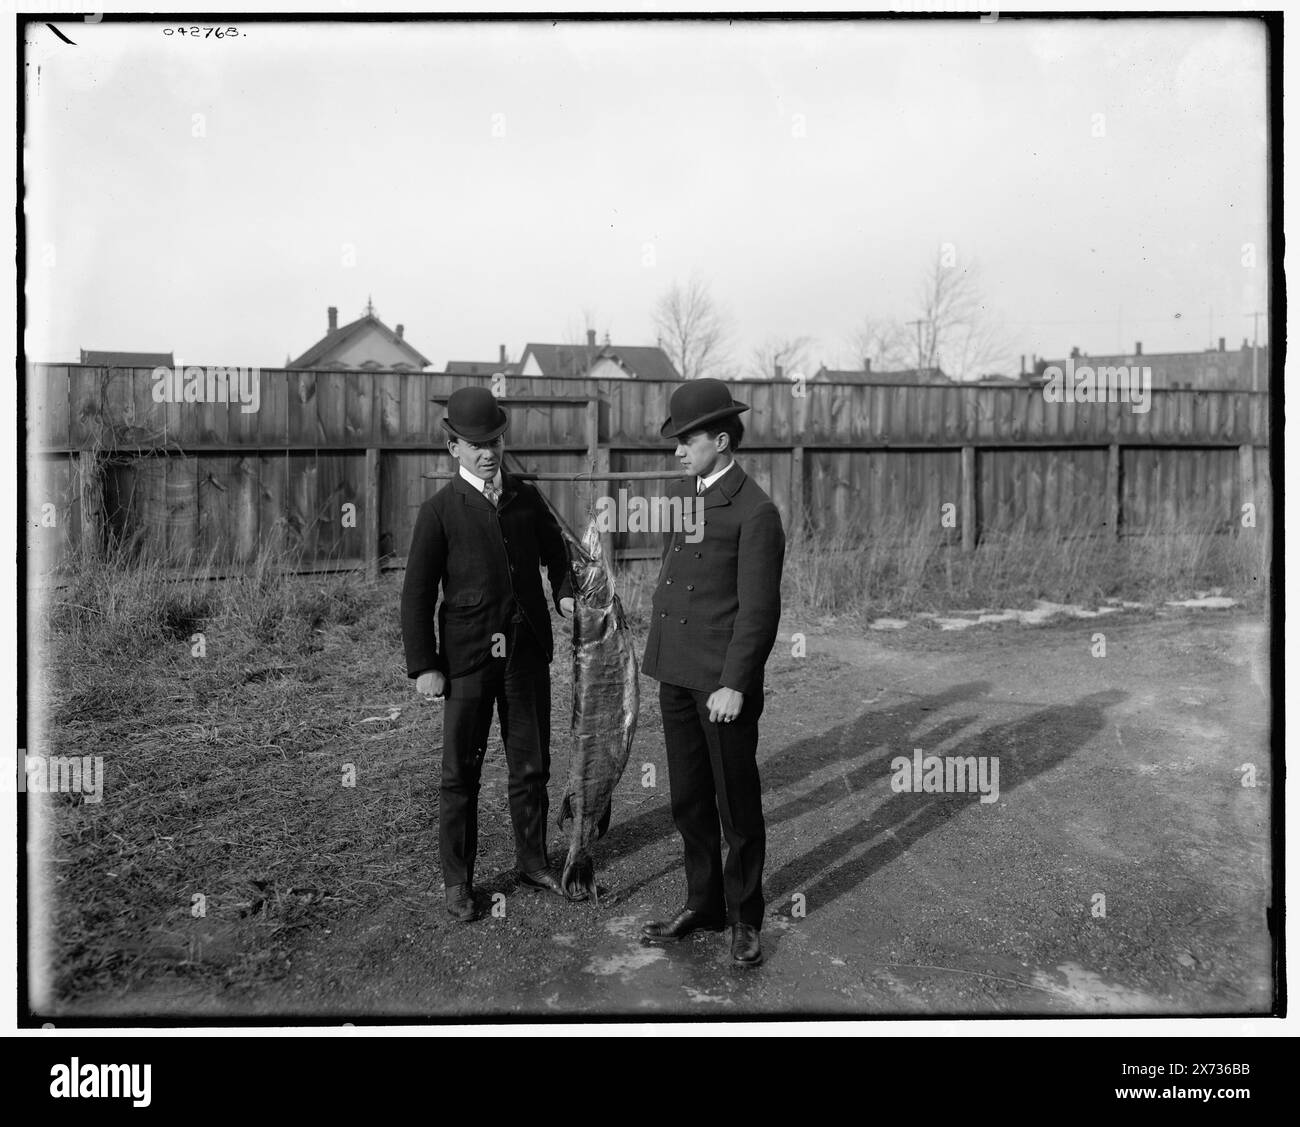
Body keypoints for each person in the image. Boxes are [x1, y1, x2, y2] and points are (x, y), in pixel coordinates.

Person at [401, 386, 581, 923]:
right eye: (474, 444)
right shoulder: (439, 511)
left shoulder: (527, 498)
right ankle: (459, 881)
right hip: (467, 661)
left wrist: (565, 592)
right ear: (452, 448)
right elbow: (416, 593)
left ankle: (533, 861)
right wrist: (426, 664)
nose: (487, 452)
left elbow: (557, 555)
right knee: (461, 772)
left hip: (526, 656)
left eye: (495, 441)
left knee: (532, 767)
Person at [640, 378, 786, 966]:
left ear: (721, 440)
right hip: (677, 673)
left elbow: (758, 611)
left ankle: (745, 918)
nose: (677, 449)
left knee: (737, 807)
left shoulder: (756, 511)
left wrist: (734, 684)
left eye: (686, 439)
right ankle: (703, 904)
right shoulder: (689, 498)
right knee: (688, 802)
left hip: (721, 686)